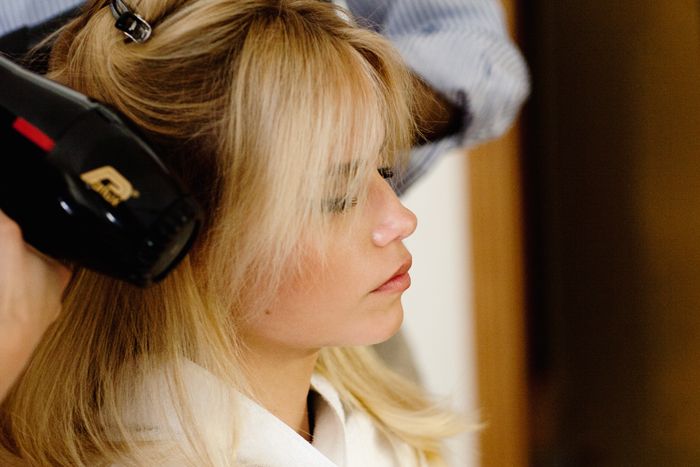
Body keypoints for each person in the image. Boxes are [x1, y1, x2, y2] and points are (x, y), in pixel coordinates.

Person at [0, 1, 462, 465]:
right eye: (336, 197)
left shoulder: (384, 441)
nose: (402, 219)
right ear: (187, 240)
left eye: (384, 170)